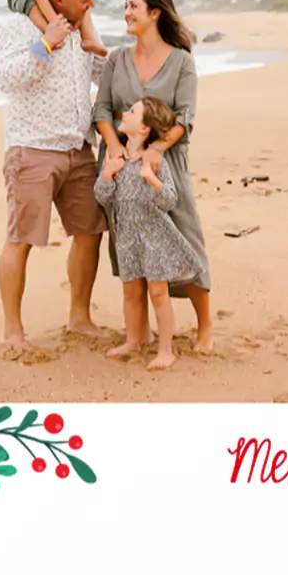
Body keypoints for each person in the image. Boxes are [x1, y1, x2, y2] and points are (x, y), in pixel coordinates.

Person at [94, 0, 213, 354]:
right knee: (129, 243)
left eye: (133, 6)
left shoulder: (181, 61)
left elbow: (185, 117)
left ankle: (205, 326)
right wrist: (116, 148)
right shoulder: (117, 59)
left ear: (154, 13)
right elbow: (101, 109)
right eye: (124, 6)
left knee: (184, 236)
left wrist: (156, 149)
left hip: (166, 160)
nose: (126, 13)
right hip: (120, 161)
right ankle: (139, 334)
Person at [0, 0, 107, 351]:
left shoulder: (83, 31)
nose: (90, 6)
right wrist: (45, 44)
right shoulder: (19, 27)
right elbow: (7, 79)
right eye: (85, 0)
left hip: (79, 149)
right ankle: (13, 331)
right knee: (21, 239)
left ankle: (79, 318)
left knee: (90, 233)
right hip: (33, 149)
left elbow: (103, 76)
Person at [94, 97, 196, 371]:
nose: (124, 114)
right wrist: (107, 174)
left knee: (158, 293)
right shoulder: (114, 156)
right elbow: (102, 198)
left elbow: (169, 200)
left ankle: (165, 350)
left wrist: (152, 179)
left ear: (144, 129)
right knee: (130, 292)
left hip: (155, 238)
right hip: (126, 237)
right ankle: (132, 340)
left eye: (132, 112)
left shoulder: (155, 161)